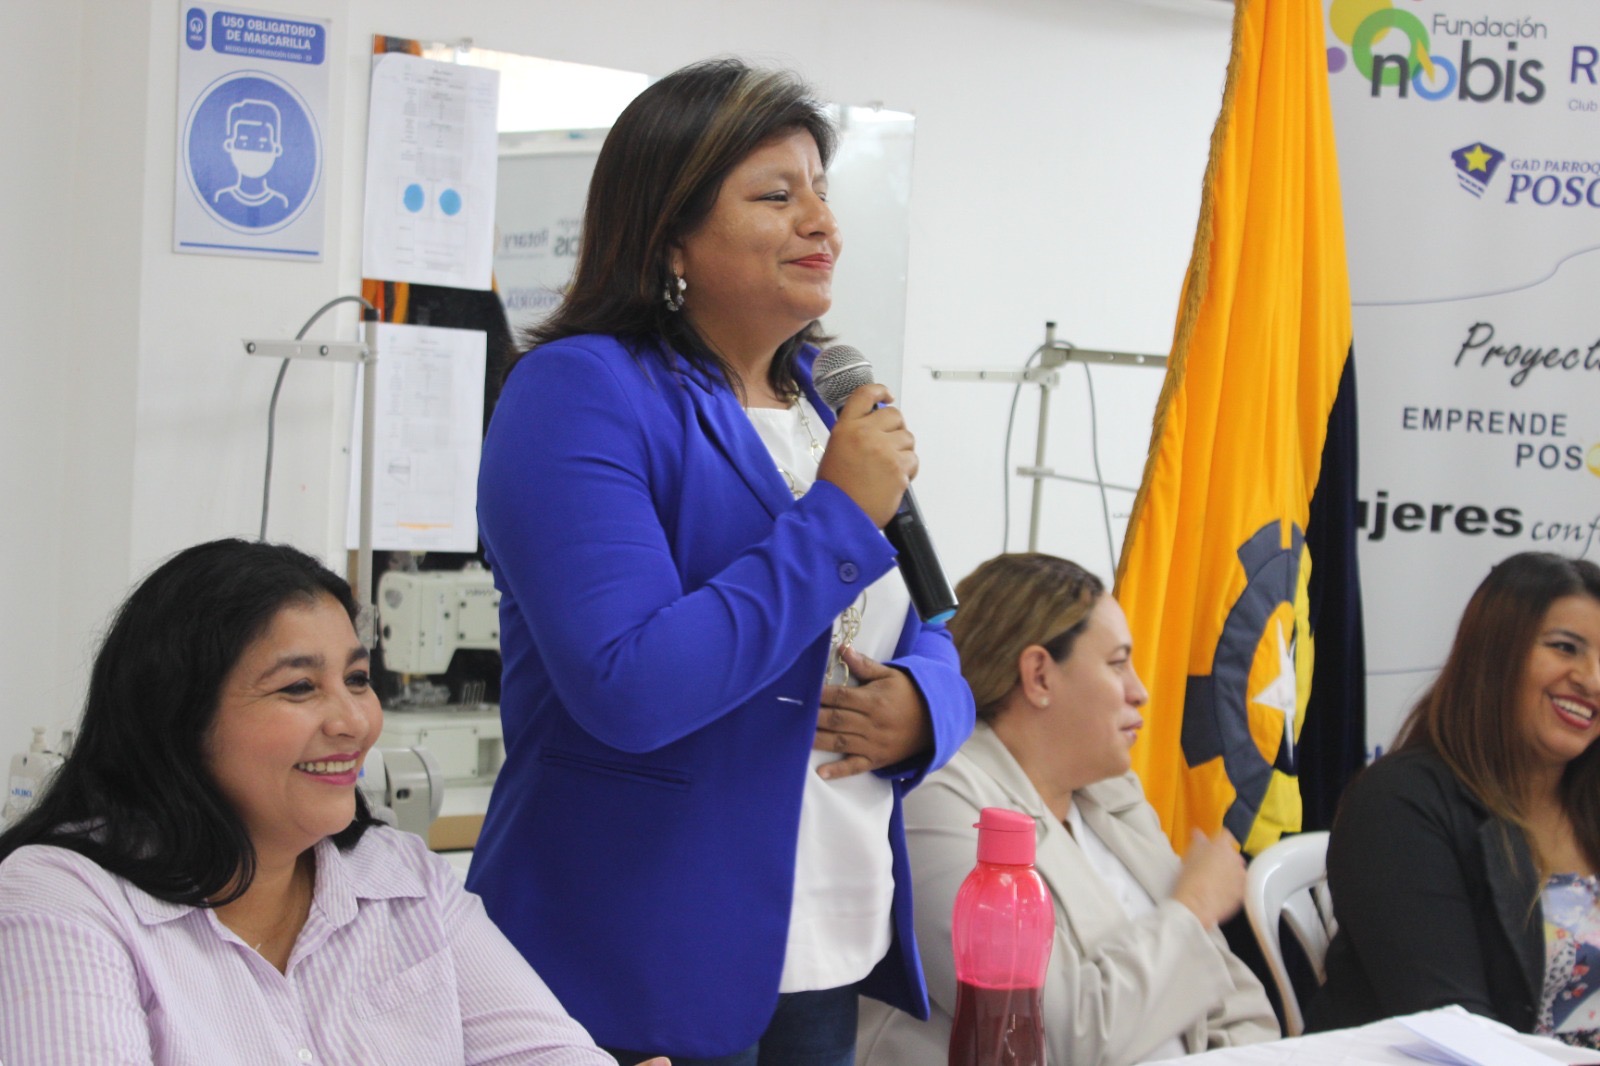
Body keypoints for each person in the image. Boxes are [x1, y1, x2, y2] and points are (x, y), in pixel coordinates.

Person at [469, 57, 975, 1065]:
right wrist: (838, 514)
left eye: (821, 191)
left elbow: (928, 627)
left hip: (825, 942)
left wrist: (925, 709)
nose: (822, 223)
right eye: (776, 197)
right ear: (671, 238)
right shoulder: (579, 392)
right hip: (639, 957)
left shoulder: (829, 399)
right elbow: (629, 684)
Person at [0, 539, 656, 1066]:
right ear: (179, 716)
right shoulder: (62, 898)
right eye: (299, 688)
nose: (354, 721)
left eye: (357, 679)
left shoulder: (402, 880)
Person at [857, 553, 1278, 1066]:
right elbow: (1053, 1038)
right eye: (1117, 664)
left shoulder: (1109, 792)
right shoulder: (939, 800)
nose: (1140, 692)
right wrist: (1193, 907)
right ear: (1039, 676)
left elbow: (1240, 1006)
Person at [1308, 551, 1600, 1048]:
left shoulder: (1586, 800)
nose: (1591, 679)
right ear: (1495, 653)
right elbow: (1453, 1029)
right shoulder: (1398, 805)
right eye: (1565, 648)